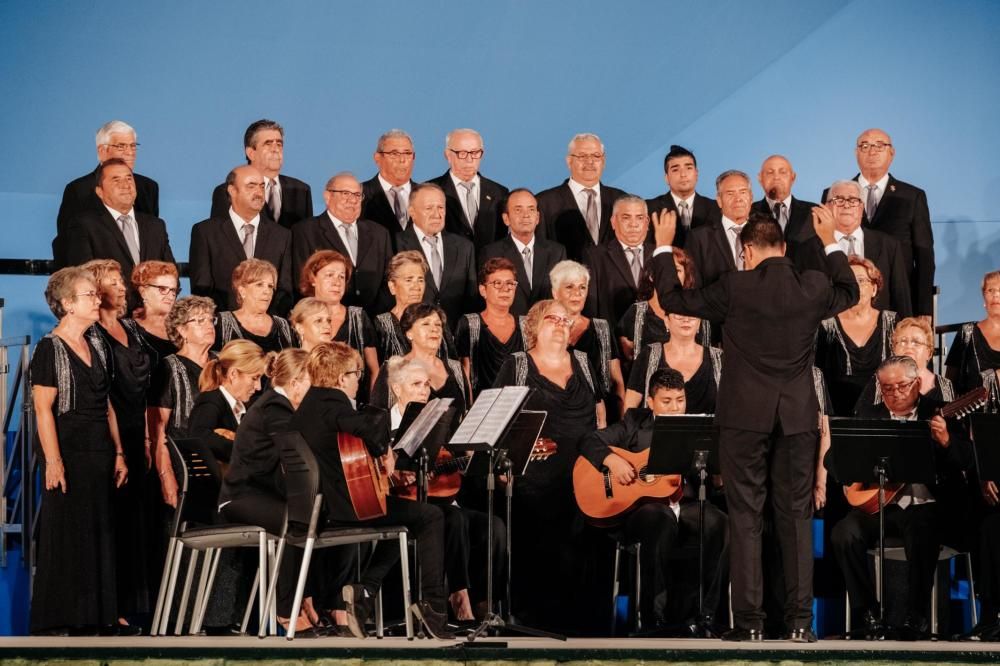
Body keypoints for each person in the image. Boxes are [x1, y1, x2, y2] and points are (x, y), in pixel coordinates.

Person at [649, 207, 859, 641]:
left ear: (746, 251)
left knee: (745, 517)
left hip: (745, 418)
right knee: (796, 518)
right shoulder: (813, 284)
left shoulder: (735, 287)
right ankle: (801, 624)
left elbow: (672, 300)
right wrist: (830, 240)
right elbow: (851, 292)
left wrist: (664, 246)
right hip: (798, 417)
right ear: (783, 248)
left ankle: (749, 625)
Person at [289, 342, 453, 639]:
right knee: (430, 515)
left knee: (408, 518)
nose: (358, 381)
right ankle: (434, 608)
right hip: (343, 509)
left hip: (322, 506)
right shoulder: (332, 404)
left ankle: (366, 591)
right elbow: (371, 427)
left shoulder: (308, 405)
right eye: (355, 374)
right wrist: (384, 450)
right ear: (341, 379)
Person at [830, 356, 973, 640]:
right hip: (882, 507)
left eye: (901, 386)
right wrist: (853, 467)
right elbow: (832, 461)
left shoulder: (941, 412)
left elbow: (968, 460)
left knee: (922, 525)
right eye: (887, 388)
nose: (894, 394)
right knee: (843, 533)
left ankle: (915, 617)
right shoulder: (871, 415)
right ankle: (868, 614)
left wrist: (946, 442)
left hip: (929, 507)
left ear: (917, 383)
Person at [579, 368, 729, 630]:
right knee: (661, 520)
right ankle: (654, 618)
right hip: (644, 510)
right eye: (666, 401)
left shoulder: (697, 428)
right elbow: (588, 440)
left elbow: (714, 483)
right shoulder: (635, 423)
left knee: (719, 523)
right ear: (651, 402)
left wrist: (718, 476)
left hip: (686, 503)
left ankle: (702, 617)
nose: (675, 408)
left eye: (680, 400)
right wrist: (612, 460)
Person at [493, 299, 604, 634]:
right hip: (534, 475)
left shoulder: (583, 362)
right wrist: (504, 461)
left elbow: (599, 417)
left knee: (584, 549)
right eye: (551, 319)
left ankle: (583, 628)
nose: (560, 324)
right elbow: (499, 416)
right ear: (534, 328)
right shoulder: (518, 364)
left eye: (565, 320)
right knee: (540, 551)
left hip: (585, 473)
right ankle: (535, 626)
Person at [30, 267, 129, 635]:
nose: (97, 299)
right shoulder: (49, 348)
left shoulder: (97, 343)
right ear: (67, 304)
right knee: (67, 533)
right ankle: (60, 619)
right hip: (68, 450)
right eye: (88, 295)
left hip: (100, 449)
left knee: (100, 531)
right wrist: (53, 461)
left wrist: (119, 452)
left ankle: (99, 616)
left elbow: (108, 405)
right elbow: (43, 409)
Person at [218, 349, 330, 635]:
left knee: (316, 516)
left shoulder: (281, 405)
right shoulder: (275, 408)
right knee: (295, 520)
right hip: (241, 496)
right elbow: (297, 454)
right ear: (295, 382)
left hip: (265, 494)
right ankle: (285, 611)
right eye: (311, 382)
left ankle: (305, 599)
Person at [384, 356, 505, 621]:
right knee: (455, 519)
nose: (423, 391)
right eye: (416, 384)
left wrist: (469, 463)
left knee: (494, 526)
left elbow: (451, 467)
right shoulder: (382, 426)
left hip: (442, 502)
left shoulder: (438, 424)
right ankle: (460, 601)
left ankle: (487, 605)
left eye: (427, 385)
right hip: (408, 506)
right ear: (397, 389)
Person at [82, 259, 156, 627]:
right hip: (109, 434)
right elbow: (102, 393)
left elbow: (143, 388)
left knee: (134, 522)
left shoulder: (131, 328)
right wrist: (119, 448)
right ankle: (109, 609)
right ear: (97, 291)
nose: (123, 288)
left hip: (135, 427)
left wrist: (144, 434)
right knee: (112, 520)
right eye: (113, 282)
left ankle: (132, 606)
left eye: (121, 281)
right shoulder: (91, 334)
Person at [823, 128, 934, 320]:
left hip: (891, 300)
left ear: (892, 153)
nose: (871, 151)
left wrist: (924, 309)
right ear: (856, 153)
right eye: (864, 146)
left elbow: (924, 256)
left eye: (879, 145)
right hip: (838, 303)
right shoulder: (835, 194)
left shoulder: (912, 196)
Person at [60, 158, 175, 311]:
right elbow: (84, 277)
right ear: (99, 192)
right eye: (116, 180)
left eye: (129, 178)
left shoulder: (156, 225)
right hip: (109, 316)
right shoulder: (84, 225)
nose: (126, 185)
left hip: (152, 318)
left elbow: (171, 273)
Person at [788, 179, 912, 317]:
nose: (846, 205)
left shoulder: (888, 245)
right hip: (824, 331)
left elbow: (901, 296)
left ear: (862, 207)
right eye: (838, 200)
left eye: (853, 200)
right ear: (826, 207)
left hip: (879, 331)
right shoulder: (806, 249)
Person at [189, 165, 294, 315]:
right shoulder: (206, 232)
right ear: (232, 191)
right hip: (222, 326)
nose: (258, 192)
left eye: (261, 186)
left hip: (266, 329)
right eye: (251, 186)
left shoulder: (281, 236)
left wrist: (266, 322)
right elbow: (202, 288)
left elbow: (284, 290)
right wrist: (226, 322)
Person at [55, 120, 159, 267]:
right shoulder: (79, 190)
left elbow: (153, 242)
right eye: (121, 146)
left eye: (133, 146)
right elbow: (67, 246)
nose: (129, 152)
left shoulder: (148, 187)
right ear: (102, 151)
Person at [147, 296, 217, 509]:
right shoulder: (168, 368)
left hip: (220, 458)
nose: (208, 326)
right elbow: (156, 431)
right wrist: (166, 476)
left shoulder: (222, 363)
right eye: (199, 321)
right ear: (182, 330)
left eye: (210, 320)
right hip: (185, 462)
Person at [291, 172, 393, 312]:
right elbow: (301, 281)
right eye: (345, 194)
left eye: (357, 195)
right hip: (325, 318)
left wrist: (372, 317)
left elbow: (390, 279)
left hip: (372, 320)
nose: (353, 200)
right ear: (327, 196)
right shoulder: (305, 231)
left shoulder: (379, 233)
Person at [814, 256, 899, 415]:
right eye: (849, 281)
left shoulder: (892, 322)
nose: (855, 286)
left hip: (884, 414)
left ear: (874, 288)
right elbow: (816, 375)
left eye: (861, 280)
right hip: (837, 415)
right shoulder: (826, 324)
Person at [297, 250, 379, 396]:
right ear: (313, 278)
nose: (337, 282)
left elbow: (374, 371)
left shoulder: (359, 317)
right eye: (329, 275)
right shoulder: (299, 316)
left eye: (341, 277)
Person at [394, 183, 478, 326]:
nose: (436, 214)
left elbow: (471, 298)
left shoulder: (464, 247)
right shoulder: (395, 243)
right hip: (412, 333)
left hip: (454, 336)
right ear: (412, 212)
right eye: (429, 208)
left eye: (440, 207)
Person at [550, 260, 621, 426]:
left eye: (582, 287)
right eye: (569, 287)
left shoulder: (601, 328)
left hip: (599, 417)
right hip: (559, 415)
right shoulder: (545, 330)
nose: (577, 293)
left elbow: (616, 380)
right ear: (555, 293)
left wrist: (621, 422)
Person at [536, 133, 626, 262]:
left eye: (596, 156)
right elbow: (540, 252)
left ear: (603, 161)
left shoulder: (621, 200)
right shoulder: (545, 202)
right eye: (582, 156)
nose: (589, 162)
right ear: (569, 161)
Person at [210, 119, 313, 229]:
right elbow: (219, 237)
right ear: (251, 153)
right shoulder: (228, 191)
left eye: (279, 144)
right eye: (268, 144)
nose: (276, 149)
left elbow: (306, 238)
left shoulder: (301, 190)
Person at [479, 188, 567, 316]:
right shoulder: (491, 253)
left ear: (537, 217)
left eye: (531, 209)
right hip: (507, 329)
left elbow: (561, 296)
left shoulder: (556, 252)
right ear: (506, 218)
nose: (526, 215)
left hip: (545, 328)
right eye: (518, 210)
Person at [371, 304, 469, 415]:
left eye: (438, 324)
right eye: (426, 324)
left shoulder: (456, 368)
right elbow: (376, 418)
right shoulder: (393, 369)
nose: (435, 329)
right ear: (409, 333)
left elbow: (467, 410)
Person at [616, 249, 709, 364]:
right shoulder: (636, 313)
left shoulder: (698, 313)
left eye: (677, 271)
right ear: (651, 276)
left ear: (686, 275)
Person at [625, 308, 722, 415]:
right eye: (679, 315)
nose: (686, 320)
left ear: (699, 322)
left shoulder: (719, 359)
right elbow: (630, 407)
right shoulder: (649, 355)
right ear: (667, 320)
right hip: (656, 430)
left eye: (692, 315)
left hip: (708, 430)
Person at [429, 128, 509, 252]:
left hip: (489, 268)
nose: (469, 160)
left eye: (475, 153)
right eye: (462, 153)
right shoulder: (429, 190)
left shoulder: (499, 192)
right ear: (448, 155)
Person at [188, 340, 267, 465]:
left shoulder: (244, 407)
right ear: (233, 374)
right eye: (254, 378)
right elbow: (198, 436)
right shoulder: (211, 400)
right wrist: (248, 453)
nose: (258, 387)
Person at [455, 257, 527, 396]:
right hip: (481, 407)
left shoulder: (526, 325)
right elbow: (464, 374)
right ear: (483, 290)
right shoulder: (469, 324)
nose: (505, 289)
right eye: (497, 283)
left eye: (510, 283)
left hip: (518, 405)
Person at [584, 195, 656, 329]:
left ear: (647, 223)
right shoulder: (595, 256)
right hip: (613, 340)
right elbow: (591, 307)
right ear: (613, 222)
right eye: (626, 218)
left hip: (656, 338)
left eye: (639, 218)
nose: (633, 224)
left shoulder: (661, 254)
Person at [854, 316, 955, 410]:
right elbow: (861, 419)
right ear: (894, 350)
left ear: (929, 352)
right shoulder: (878, 382)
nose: (909, 346)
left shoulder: (945, 386)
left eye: (916, 342)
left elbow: (953, 425)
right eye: (903, 341)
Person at [645, 145, 721, 249]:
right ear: (666, 178)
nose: (683, 174)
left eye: (688, 168)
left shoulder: (716, 208)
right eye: (675, 170)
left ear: (696, 174)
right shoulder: (649, 209)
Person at [215, 258, 295, 353]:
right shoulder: (222, 323)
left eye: (270, 286)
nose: (267, 291)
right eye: (259, 285)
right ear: (242, 291)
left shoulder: (283, 325)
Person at [945, 270, 1000, 395]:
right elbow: (948, 386)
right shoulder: (966, 333)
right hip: (971, 413)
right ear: (983, 297)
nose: (995, 295)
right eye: (990, 290)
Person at [361, 129, 418, 241]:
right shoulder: (358, 194)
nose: (402, 160)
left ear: (414, 157)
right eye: (394, 154)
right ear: (377, 158)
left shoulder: (427, 195)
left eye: (407, 153)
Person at [750, 155, 818, 242]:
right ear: (760, 178)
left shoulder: (814, 213)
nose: (776, 177)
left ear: (793, 177)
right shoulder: (748, 213)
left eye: (783, 172)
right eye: (770, 172)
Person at [127, 261, 180, 365]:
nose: (170, 296)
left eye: (173, 290)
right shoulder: (128, 330)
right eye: (162, 289)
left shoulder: (182, 328)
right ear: (143, 292)